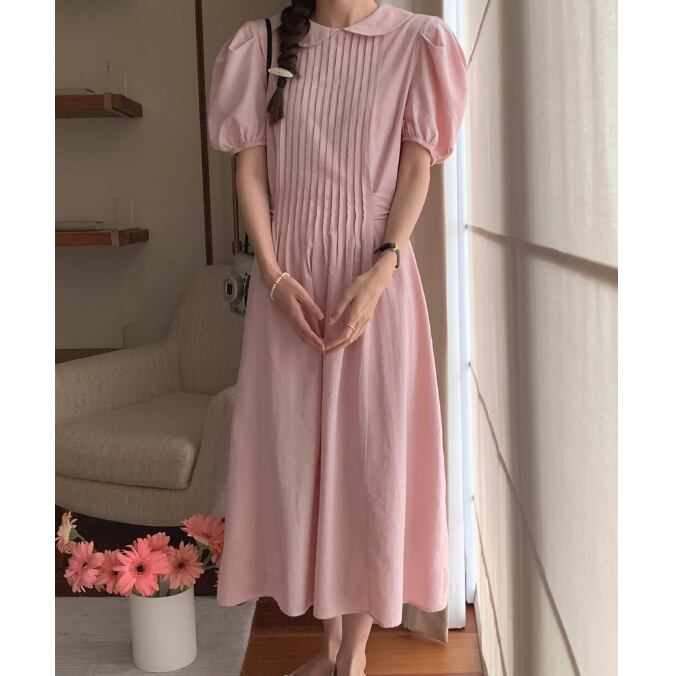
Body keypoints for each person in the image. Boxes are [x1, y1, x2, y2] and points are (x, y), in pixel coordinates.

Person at [207, 1, 468, 674]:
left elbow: (416, 170)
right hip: (287, 283)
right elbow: (250, 173)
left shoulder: (419, 42)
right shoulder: (261, 43)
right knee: (301, 459)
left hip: (374, 280)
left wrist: (383, 268)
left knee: (369, 460)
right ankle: (329, 649)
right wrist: (271, 276)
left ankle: (352, 656)